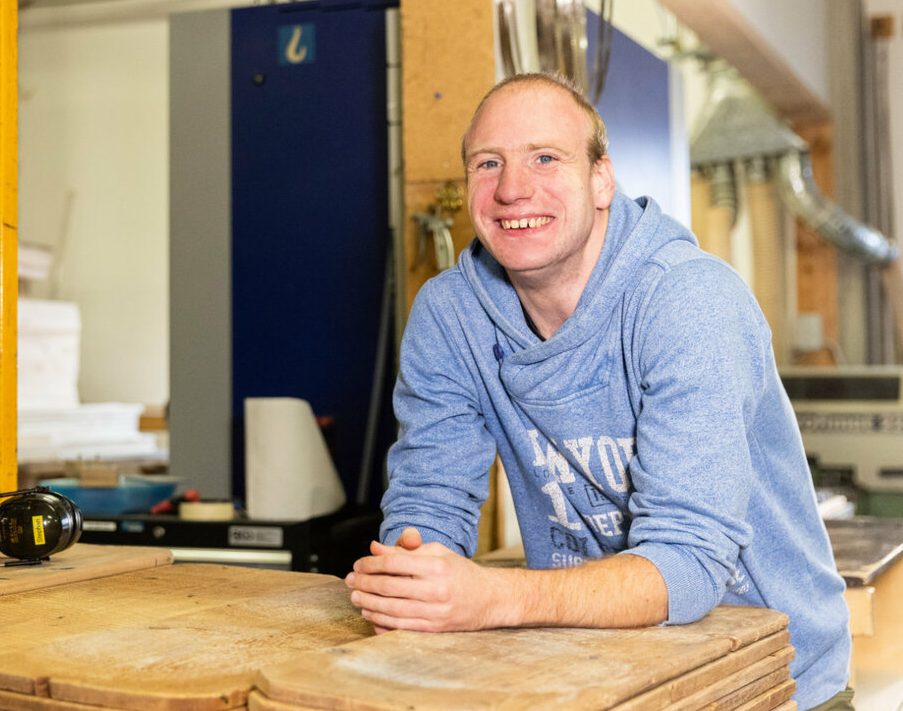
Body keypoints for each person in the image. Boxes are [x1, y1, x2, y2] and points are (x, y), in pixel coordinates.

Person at [347, 72, 852, 711]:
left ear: (602, 179)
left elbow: (689, 567)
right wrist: (412, 579)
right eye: (488, 163)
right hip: (594, 669)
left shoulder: (688, 301)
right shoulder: (450, 316)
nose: (511, 188)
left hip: (770, 682)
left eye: (546, 158)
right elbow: (430, 500)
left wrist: (494, 597)